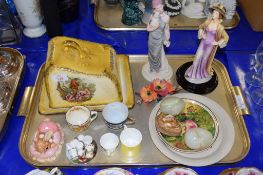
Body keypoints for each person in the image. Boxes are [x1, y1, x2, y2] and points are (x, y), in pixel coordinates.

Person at [185, 3, 229, 81]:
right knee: (197, 57)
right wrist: (202, 33)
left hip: (210, 46)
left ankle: (201, 73)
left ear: (219, 16)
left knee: (205, 59)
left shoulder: (220, 27)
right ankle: (192, 73)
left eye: (216, 13)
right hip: (203, 43)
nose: (213, 14)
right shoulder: (208, 21)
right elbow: (201, 27)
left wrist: (217, 43)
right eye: (213, 12)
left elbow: (226, 37)